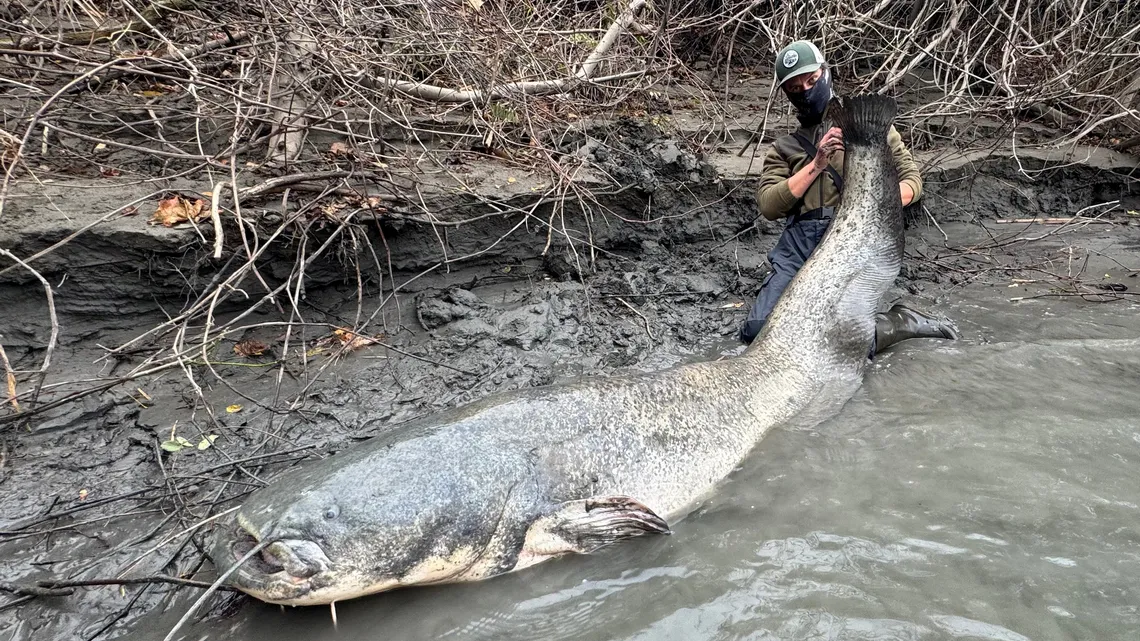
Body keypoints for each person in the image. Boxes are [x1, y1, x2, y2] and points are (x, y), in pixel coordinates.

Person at [739, 40, 957, 352]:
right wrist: (817, 164)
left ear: (825, 73)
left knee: (851, 341)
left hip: (855, 243)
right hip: (799, 249)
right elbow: (769, 206)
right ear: (787, 94)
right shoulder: (782, 148)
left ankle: (902, 321)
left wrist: (876, 205)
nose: (806, 91)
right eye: (795, 88)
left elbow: (913, 181)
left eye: (812, 81)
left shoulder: (869, 130)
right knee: (758, 331)